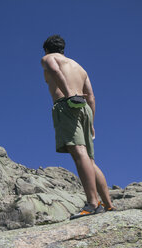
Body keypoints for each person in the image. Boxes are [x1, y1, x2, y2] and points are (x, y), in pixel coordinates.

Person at [41, 35, 115, 219]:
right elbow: (91, 96)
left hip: (67, 105)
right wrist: (91, 123)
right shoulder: (80, 68)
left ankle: (92, 203)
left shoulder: (49, 58)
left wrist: (68, 95)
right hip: (84, 109)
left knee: (78, 152)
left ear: (47, 49)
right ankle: (108, 205)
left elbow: (54, 70)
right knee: (89, 159)